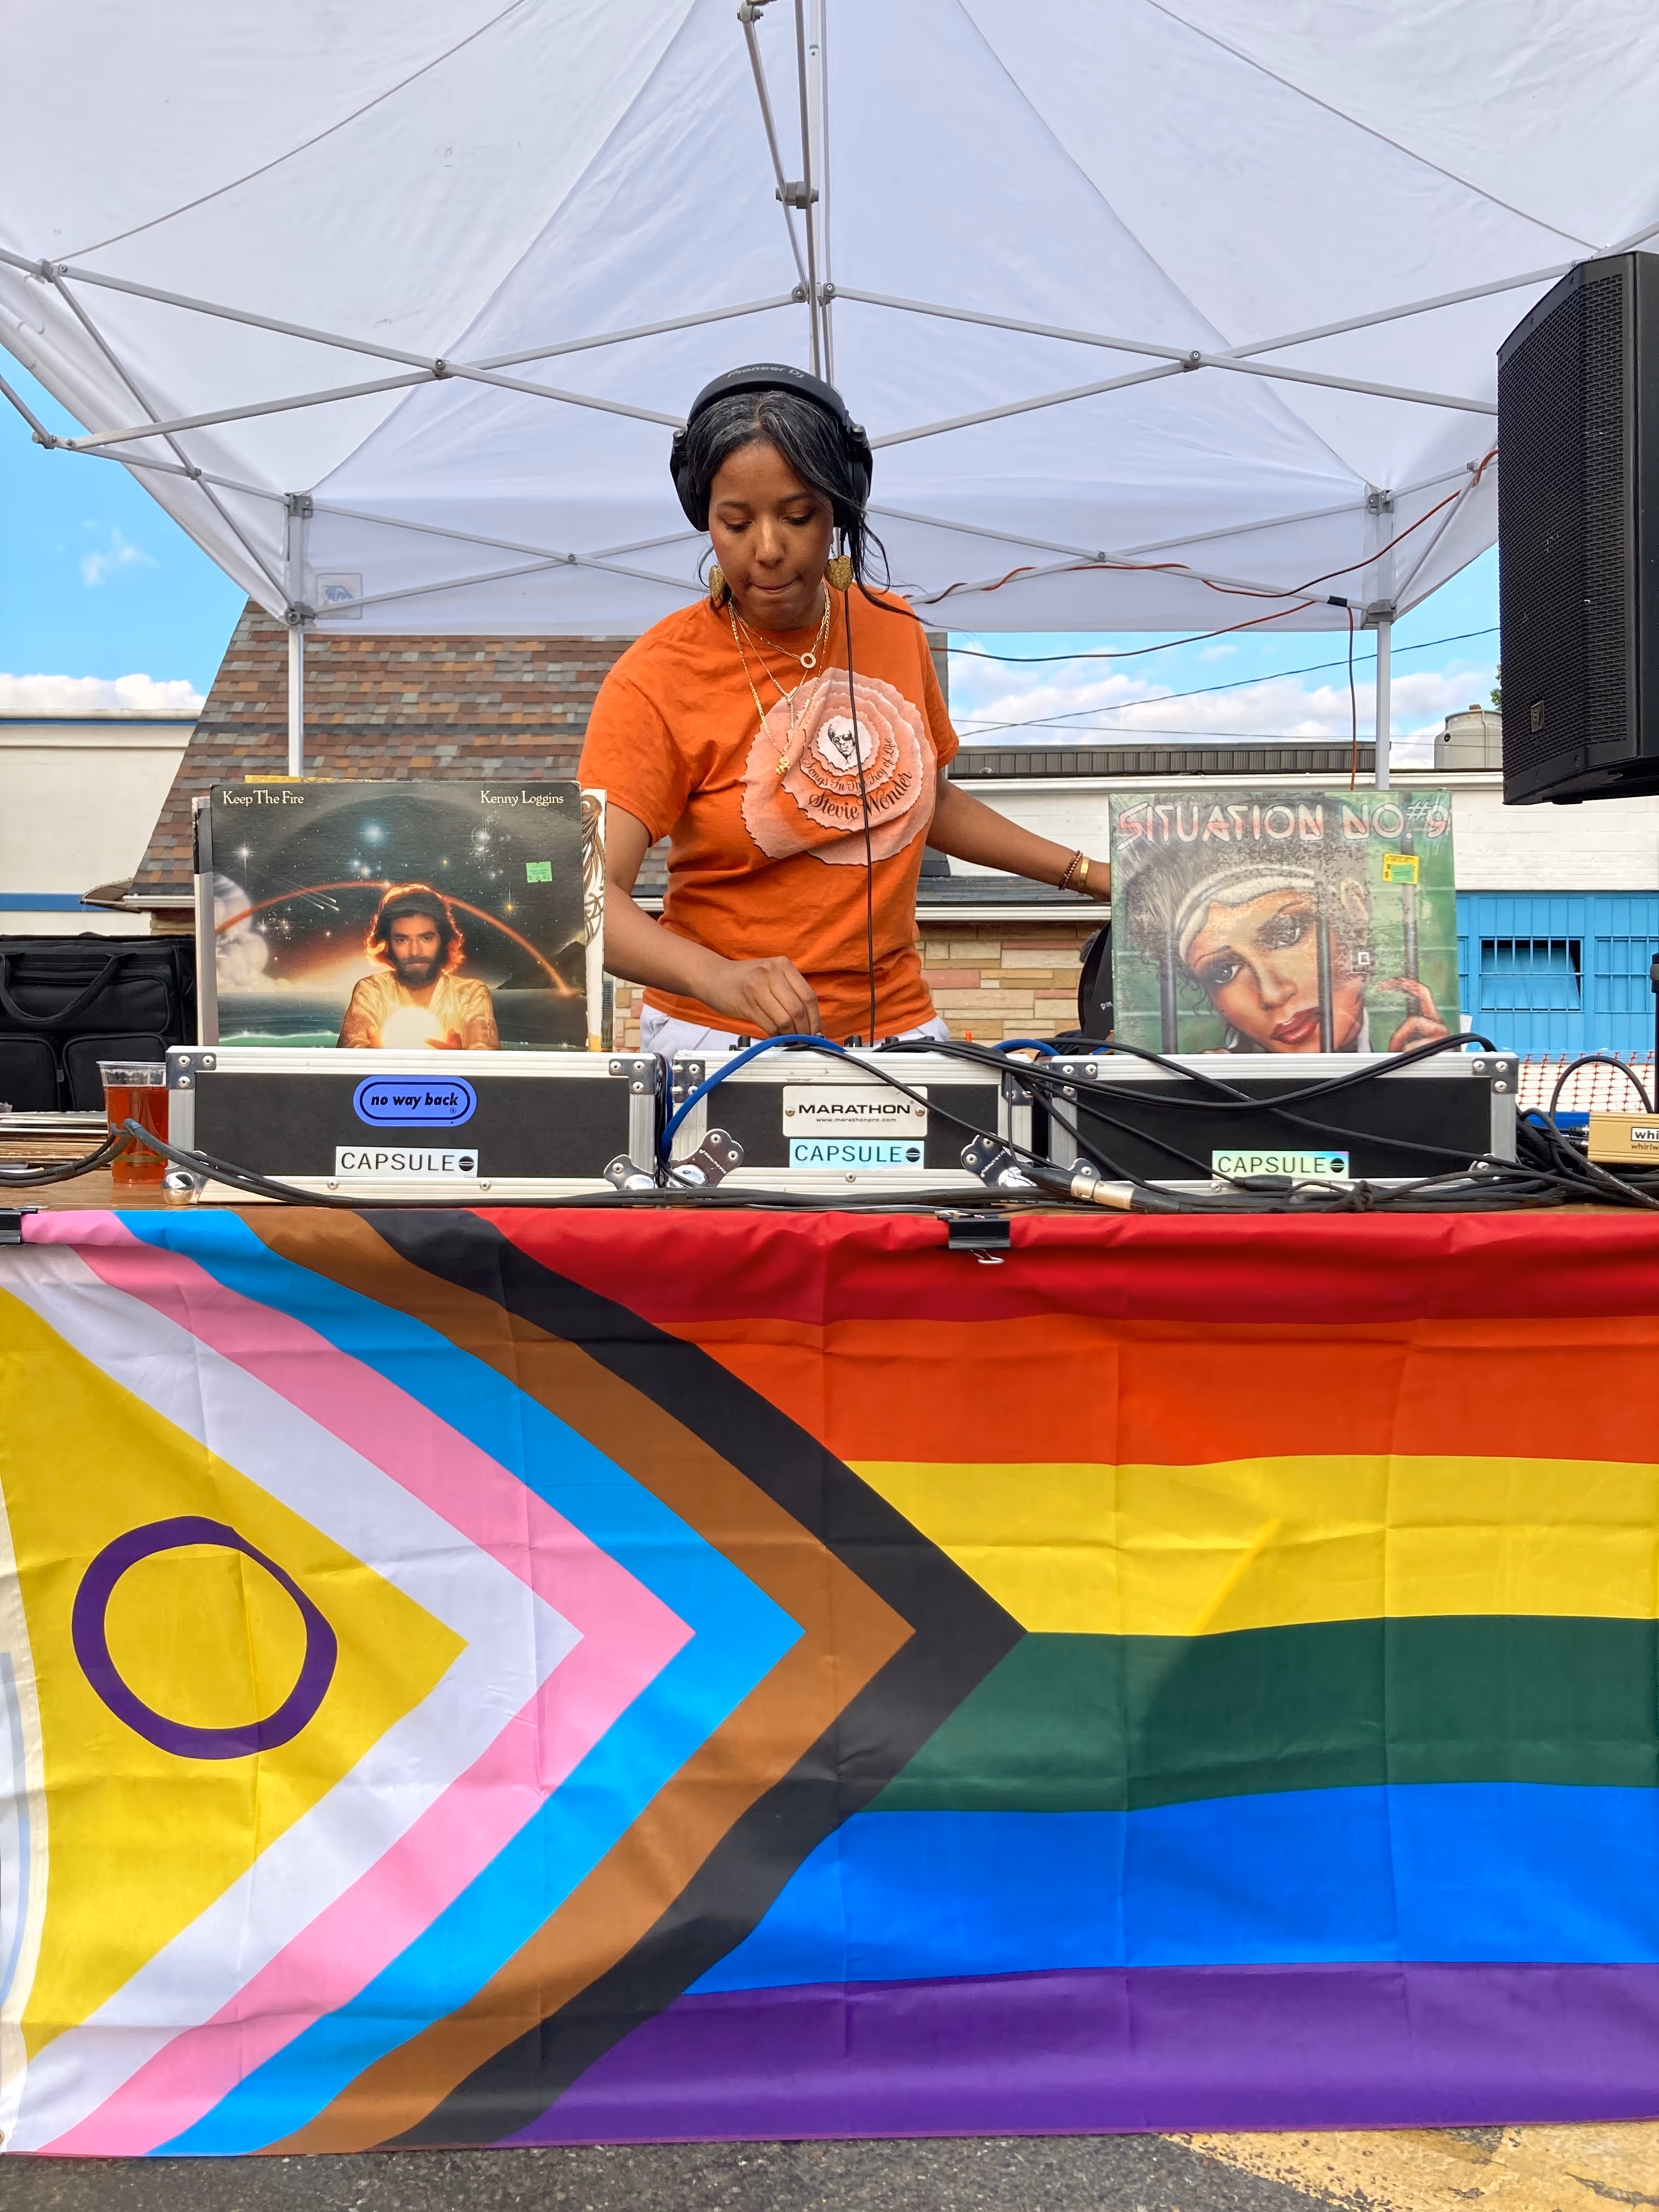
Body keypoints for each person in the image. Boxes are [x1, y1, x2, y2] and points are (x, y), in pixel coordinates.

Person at [578, 364, 1111, 1054]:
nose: (767, 549)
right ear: (702, 515)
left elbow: (924, 801)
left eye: (798, 517)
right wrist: (718, 978)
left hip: (900, 1025)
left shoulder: (891, 627)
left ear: (840, 507)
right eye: (734, 522)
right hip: (717, 1036)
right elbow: (588, 903)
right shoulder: (655, 677)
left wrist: (1088, 875)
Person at [1121, 843, 1448, 1053]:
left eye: (1287, 933)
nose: (1272, 993)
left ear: (1354, 914)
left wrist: (1438, 1081)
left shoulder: (1414, 1045)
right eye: (1223, 971)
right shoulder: (1213, 1080)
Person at [337, 883, 499, 1050]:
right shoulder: (372, 991)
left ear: (444, 940)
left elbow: (487, 1061)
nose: (415, 951)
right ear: (388, 945)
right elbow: (352, 1055)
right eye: (402, 940)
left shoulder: (471, 994)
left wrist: (458, 1059)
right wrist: (373, 1060)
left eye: (426, 938)